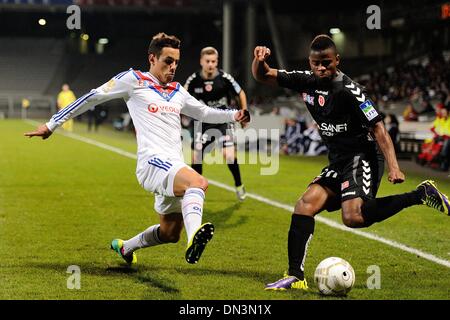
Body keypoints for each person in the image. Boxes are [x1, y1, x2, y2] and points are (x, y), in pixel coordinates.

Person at [25, 33, 250, 266]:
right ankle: (194, 237)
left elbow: (202, 112)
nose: (173, 67)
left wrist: (235, 115)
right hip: (152, 163)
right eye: (168, 61)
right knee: (198, 182)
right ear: (152, 58)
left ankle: (126, 247)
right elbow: (93, 97)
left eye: (176, 62)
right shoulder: (133, 80)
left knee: (169, 233)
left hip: (173, 167)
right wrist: (52, 124)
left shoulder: (177, 91)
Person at [252, 35, 450, 291]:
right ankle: (295, 276)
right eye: (316, 63)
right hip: (339, 160)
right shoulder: (305, 80)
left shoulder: (350, 91)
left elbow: (378, 128)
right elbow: (263, 75)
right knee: (304, 205)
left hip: (364, 155)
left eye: (326, 63)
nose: (321, 68)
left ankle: (420, 194)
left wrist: (394, 166)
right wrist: (258, 61)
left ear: (337, 60)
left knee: (353, 216)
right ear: (310, 62)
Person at [184, 46, 248, 201]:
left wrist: (244, 112)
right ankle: (196, 190)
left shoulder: (225, 78)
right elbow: (182, 95)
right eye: (207, 61)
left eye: (213, 61)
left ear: (217, 61)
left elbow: (240, 92)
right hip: (202, 122)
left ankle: (239, 185)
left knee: (229, 155)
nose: (211, 64)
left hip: (223, 120)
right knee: (196, 157)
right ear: (201, 61)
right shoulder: (193, 80)